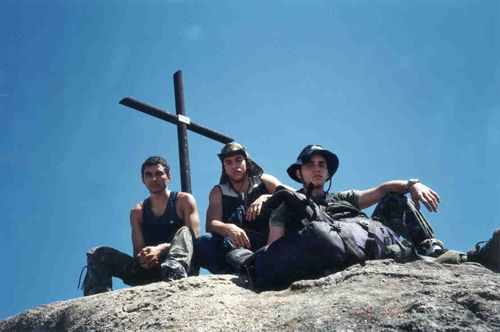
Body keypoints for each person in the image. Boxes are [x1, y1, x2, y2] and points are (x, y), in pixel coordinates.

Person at [246, 145, 499, 290]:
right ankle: (456, 258)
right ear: (299, 173)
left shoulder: (342, 197)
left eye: (322, 164)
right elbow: (273, 246)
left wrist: (412, 185)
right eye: (310, 164)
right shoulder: (289, 204)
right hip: (334, 248)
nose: (317, 169)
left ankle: (437, 250)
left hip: (367, 237)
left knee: (392, 198)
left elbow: (382, 189)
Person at [80, 156, 200, 296]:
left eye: (159, 173)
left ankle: (174, 270)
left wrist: (160, 249)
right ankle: (97, 296)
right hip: (151, 273)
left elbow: (193, 240)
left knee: (184, 231)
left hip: (182, 268)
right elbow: (137, 253)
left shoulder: (183, 200)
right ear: (143, 179)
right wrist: (144, 258)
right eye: (148, 175)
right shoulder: (137, 211)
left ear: (168, 176)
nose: (154, 179)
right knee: (98, 253)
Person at [196, 142, 284, 274]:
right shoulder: (218, 191)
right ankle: (238, 271)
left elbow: (290, 195)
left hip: (266, 244)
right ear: (224, 168)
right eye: (228, 162)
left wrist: (266, 197)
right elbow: (211, 224)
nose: (234, 166)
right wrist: (228, 228)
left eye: (238, 160)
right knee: (204, 243)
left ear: (247, 163)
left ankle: (261, 265)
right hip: (234, 247)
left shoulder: (264, 181)